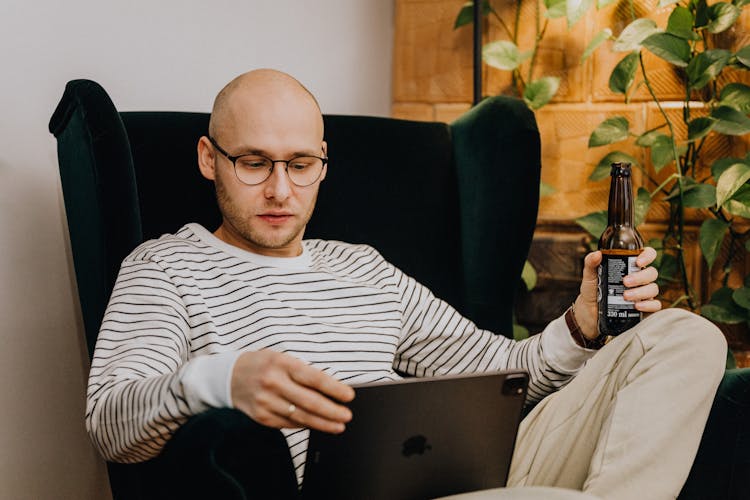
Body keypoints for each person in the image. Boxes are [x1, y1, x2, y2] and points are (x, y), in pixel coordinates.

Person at [85, 69, 727, 500]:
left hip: (471, 474)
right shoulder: (164, 267)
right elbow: (111, 424)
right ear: (208, 158)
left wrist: (583, 320)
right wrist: (219, 380)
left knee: (683, 335)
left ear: (324, 163)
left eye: (301, 164)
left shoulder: (362, 266)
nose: (281, 190)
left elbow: (505, 373)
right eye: (254, 163)